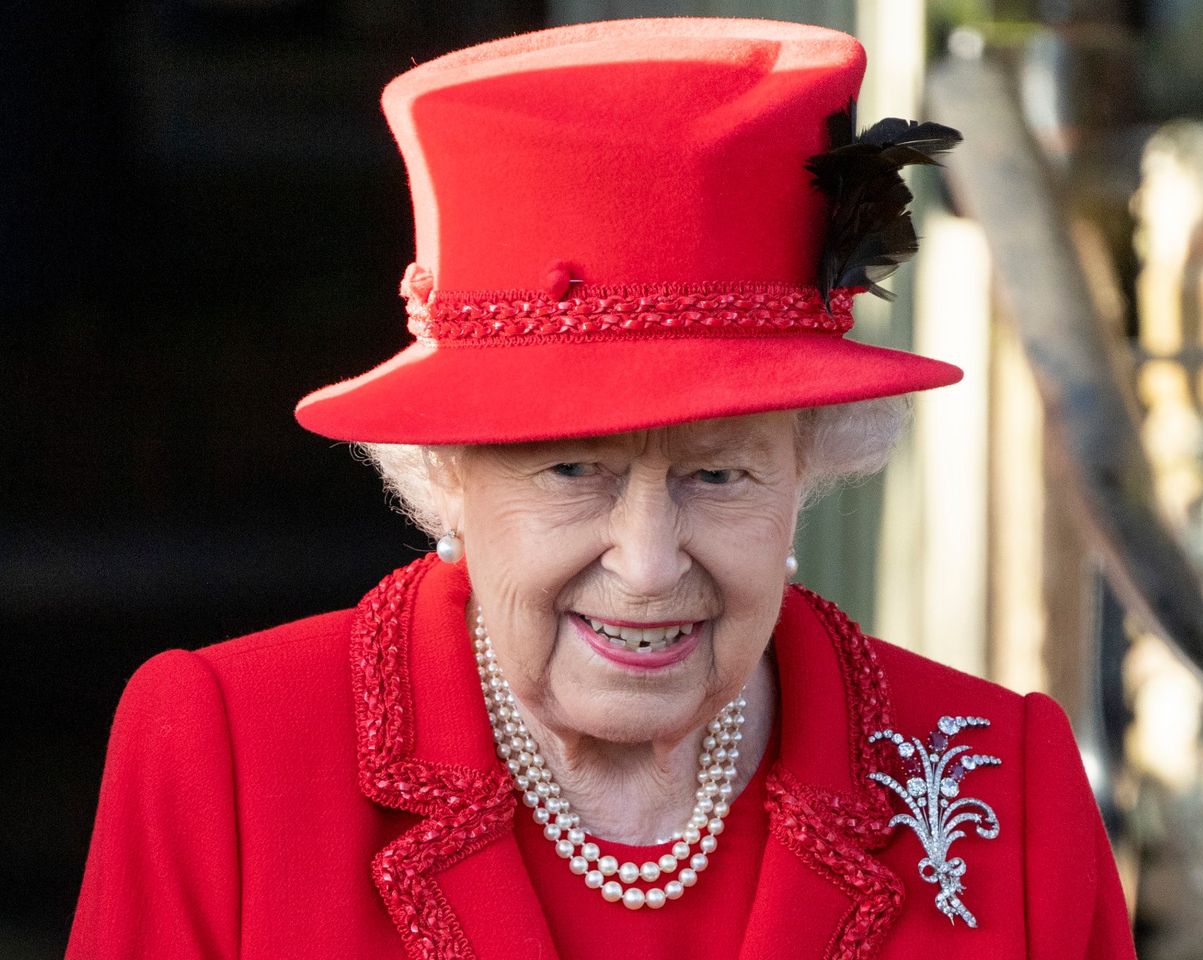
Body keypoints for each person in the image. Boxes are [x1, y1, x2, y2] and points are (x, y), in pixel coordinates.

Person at [67, 17, 1136, 960]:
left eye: (719, 473)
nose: (648, 560)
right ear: (446, 475)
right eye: (575, 469)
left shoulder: (1004, 788)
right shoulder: (228, 756)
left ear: (808, 465)